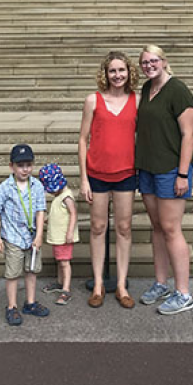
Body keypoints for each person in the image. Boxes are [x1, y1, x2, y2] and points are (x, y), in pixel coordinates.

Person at [136, 44, 193, 315]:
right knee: (157, 227)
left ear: (164, 61)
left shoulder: (178, 90)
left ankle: (183, 292)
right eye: (144, 63)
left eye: (153, 61)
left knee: (172, 229)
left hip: (171, 169)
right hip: (147, 167)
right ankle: (161, 283)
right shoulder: (147, 89)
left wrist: (182, 173)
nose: (149, 66)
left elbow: (188, 135)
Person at [78, 50, 138, 308]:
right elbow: (83, 139)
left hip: (126, 173)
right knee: (98, 228)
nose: (117, 75)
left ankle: (122, 284)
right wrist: (83, 178)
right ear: (105, 73)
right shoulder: (93, 100)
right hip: (97, 174)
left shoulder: (137, 100)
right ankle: (99, 283)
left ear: (129, 72)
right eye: (112, 70)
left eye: (121, 70)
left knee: (124, 228)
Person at [0, 143, 50, 326]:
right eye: (20, 165)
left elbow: (41, 211)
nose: (25, 169)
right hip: (13, 237)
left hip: (32, 238)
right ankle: (11, 306)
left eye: (28, 165)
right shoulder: (3, 188)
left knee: (32, 270)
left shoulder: (37, 186)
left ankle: (30, 302)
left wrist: (39, 235)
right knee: (13, 273)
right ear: (12, 167)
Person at [38, 163, 79, 306]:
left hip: (63, 237)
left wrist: (69, 232)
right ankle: (60, 282)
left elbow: (73, 213)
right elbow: (58, 214)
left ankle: (66, 289)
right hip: (58, 237)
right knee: (60, 261)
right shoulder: (59, 196)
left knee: (64, 262)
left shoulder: (66, 196)